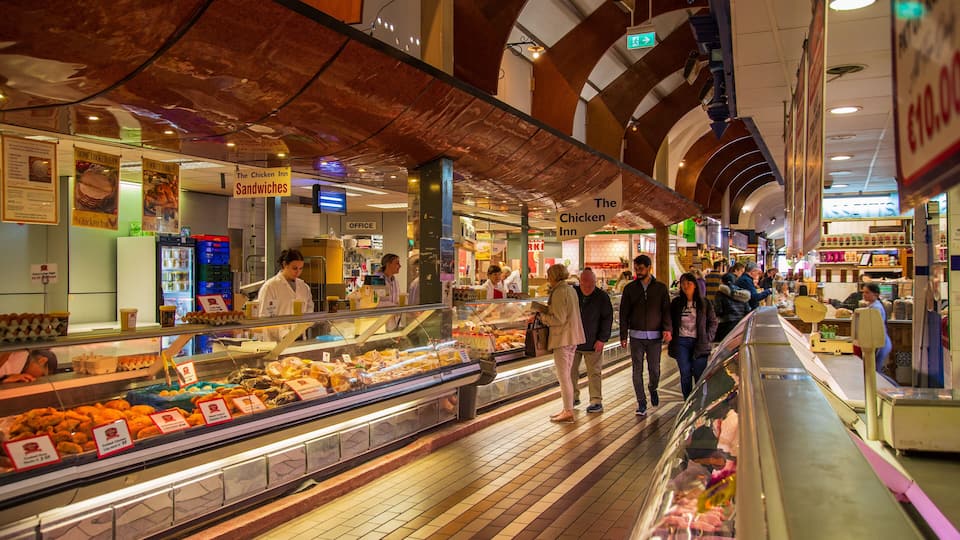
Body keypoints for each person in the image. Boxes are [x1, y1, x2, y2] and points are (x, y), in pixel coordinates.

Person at [619, 254, 672, 416]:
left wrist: (667, 329)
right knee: (637, 370)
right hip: (636, 336)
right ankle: (641, 402)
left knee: (654, 369)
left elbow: (666, 311)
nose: (638, 272)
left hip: (655, 337)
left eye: (641, 269)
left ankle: (653, 388)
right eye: (636, 269)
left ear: (649, 268)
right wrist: (623, 335)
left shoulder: (660, 288)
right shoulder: (630, 289)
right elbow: (624, 313)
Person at [535, 263, 585, 423]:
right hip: (573, 337)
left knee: (563, 376)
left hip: (563, 338)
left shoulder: (559, 292)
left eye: (549, 275)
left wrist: (543, 317)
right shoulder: (571, 289)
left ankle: (568, 410)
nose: (547, 278)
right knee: (567, 375)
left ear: (554, 276)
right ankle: (567, 408)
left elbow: (559, 318)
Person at [570, 268, 613, 413]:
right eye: (584, 283)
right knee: (570, 372)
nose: (587, 286)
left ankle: (596, 400)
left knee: (594, 372)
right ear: (580, 282)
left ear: (596, 282)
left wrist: (602, 339)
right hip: (574, 341)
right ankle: (573, 397)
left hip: (593, 341)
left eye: (591, 283)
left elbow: (607, 319)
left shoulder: (602, 297)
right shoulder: (573, 293)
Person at [669, 273, 718, 399]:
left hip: (700, 342)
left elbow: (713, 322)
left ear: (695, 285)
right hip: (681, 342)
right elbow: (669, 320)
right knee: (685, 372)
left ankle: (699, 401)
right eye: (683, 283)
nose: (685, 286)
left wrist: (708, 337)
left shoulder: (704, 303)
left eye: (688, 283)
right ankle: (687, 401)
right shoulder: (676, 303)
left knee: (699, 374)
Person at [258, 249, 315, 318]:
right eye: (294, 268)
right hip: (278, 328)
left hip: (299, 328)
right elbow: (263, 315)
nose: (298, 272)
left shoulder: (304, 287)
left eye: (300, 268)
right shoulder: (270, 287)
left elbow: (309, 311)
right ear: (285, 264)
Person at [860, 282, 893, 373]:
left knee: (876, 373)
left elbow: (874, 328)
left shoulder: (876, 308)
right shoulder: (872, 306)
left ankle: (894, 387)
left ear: (875, 294)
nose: (864, 295)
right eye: (863, 292)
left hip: (880, 343)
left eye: (867, 292)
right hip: (879, 342)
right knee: (874, 372)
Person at [714, 273, 752, 341]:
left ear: (722, 281)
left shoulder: (720, 293)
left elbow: (719, 310)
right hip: (740, 325)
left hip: (725, 325)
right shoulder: (743, 294)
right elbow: (748, 310)